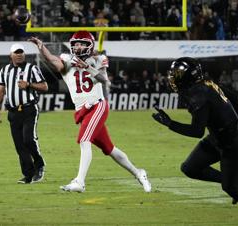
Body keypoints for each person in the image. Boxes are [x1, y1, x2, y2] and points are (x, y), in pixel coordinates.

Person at [152, 57, 238, 223]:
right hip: (220, 138)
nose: (173, 77)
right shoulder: (205, 83)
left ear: (188, 76)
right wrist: (230, 121)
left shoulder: (197, 94)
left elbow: (196, 131)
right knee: (190, 168)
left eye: (177, 74)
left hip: (236, 143)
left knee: (231, 188)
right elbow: (234, 98)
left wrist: (170, 123)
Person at [29, 31, 151, 193]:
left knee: (84, 140)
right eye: (76, 44)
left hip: (97, 105)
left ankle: (80, 182)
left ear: (89, 45)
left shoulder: (99, 59)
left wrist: (87, 66)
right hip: (82, 110)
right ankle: (139, 172)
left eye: (81, 44)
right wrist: (42, 47)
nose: (78, 47)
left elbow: (103, 79)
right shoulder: (67, 59)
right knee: (110, 149)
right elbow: (53, 61)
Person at [0, 43, 48, 184]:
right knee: (20, 145)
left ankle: (40, 165)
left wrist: (29, 84)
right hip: (12, 111)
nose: (19, 55)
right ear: (10, 55)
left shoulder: (32, 69)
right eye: (16, 52)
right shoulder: (5, 70)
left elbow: (44, 86)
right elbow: (0, 90)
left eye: (21, 52)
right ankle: (28, 175)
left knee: (29, 139)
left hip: (29, 109)